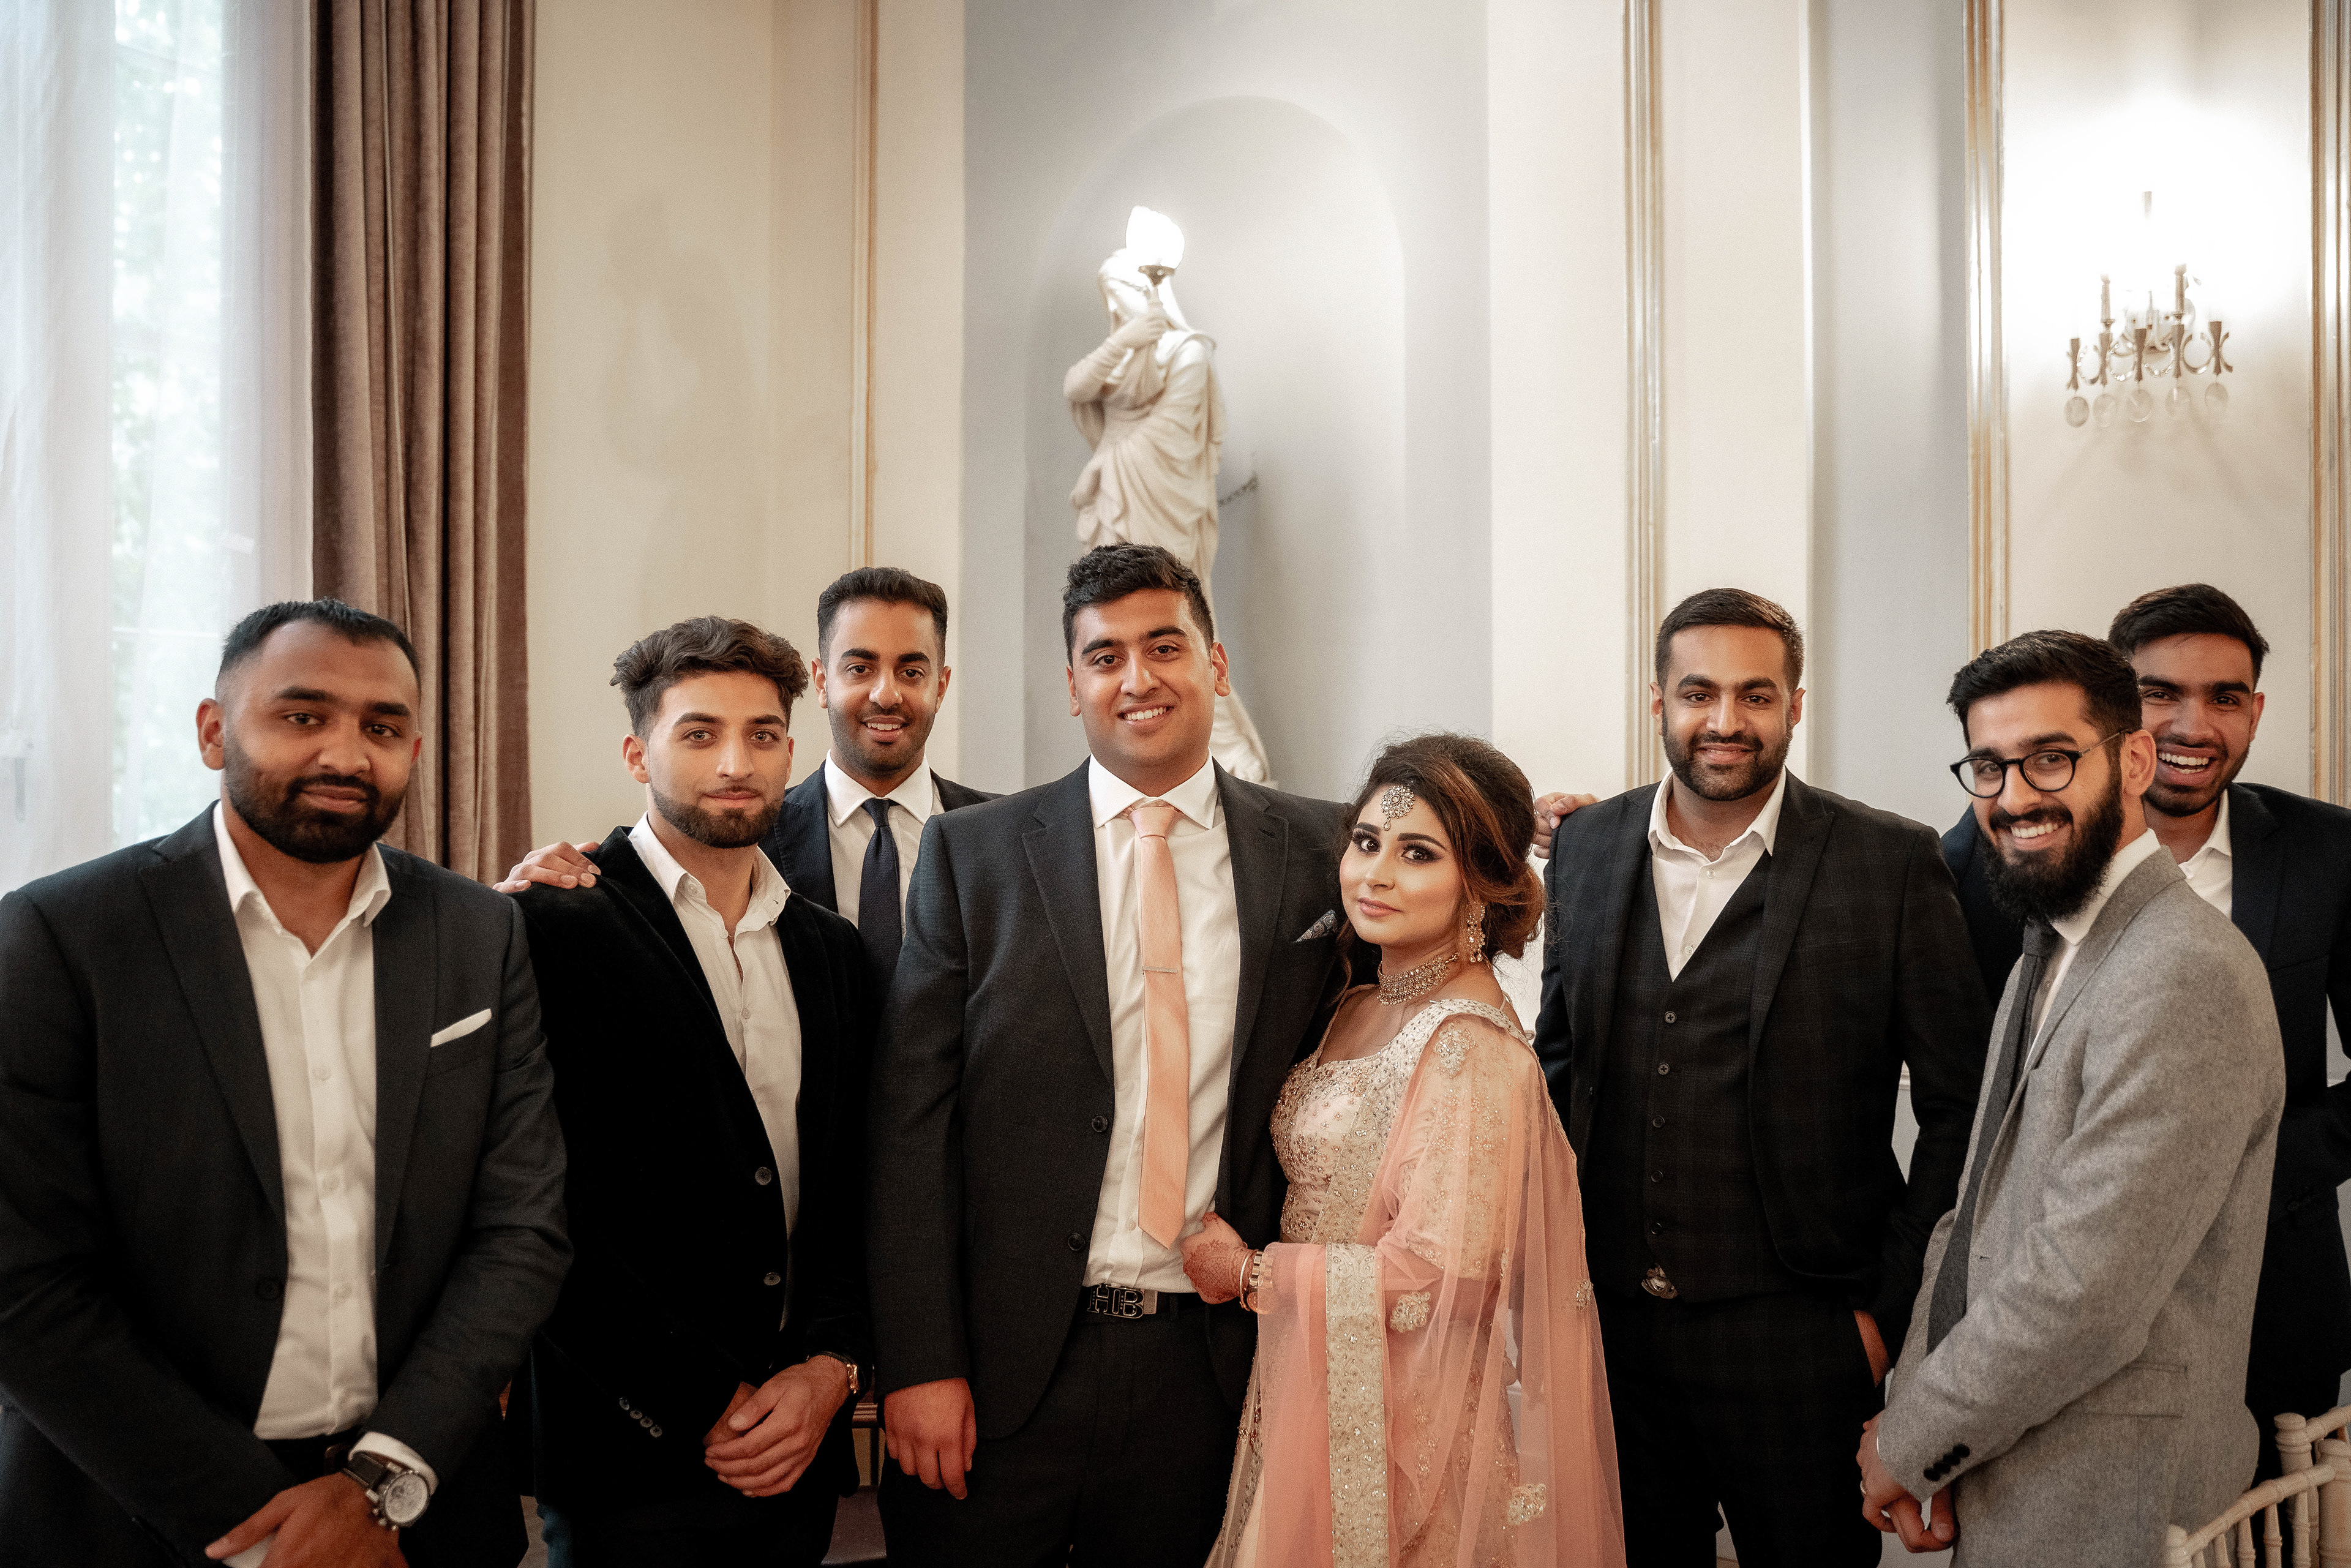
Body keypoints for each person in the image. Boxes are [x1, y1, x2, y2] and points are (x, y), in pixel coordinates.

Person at [0, 598, 569, 1568]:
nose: (346, 753)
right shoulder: (61, 936)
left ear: (414, 749)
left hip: (424, 1506)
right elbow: (25, 1279)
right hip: (139, 1514)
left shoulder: (480, 931)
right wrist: (267, 1529)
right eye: (303, 715)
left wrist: (380, 1486)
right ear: (213, 731)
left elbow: (524, 1226)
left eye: (381, 727)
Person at [867, 543, 1351, 1566]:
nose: (1138, 678)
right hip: (1000, 1374)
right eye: (1106, 656)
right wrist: (919, 1362)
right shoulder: (973, 854)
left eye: (1165, 646)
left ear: (1216, 663)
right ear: (1073, 683)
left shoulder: (1323, 852)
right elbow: (911, 1127)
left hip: (1218, 1367)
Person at [1533, 588, 1987, 1566]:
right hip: (1611, 1334)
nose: (1726, 720)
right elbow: (1557, 1072)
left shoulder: (1889, 861)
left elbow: (1962, 1110)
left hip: (1804, 1339)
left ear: (1795, 705)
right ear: (1658, 701)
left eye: (1756, 694)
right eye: (1699, 692)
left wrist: (1883, 1318)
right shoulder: (1585, 846)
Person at [1865, 629, 2283, 1561]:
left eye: (2051, 758)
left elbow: (2082, 1290)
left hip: (2113, 1498)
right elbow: (1969, 1220)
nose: (2015, 797)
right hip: (2010, 1467)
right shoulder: (2048, 946)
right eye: (1989, 766)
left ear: (2134, 760)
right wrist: (1916, 1420)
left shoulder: (2185, 970)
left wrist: (1910, 1442)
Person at [1180, 733, 1625, 1567]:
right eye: (1366, 841)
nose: (1374, 874)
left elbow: (1442, 1274)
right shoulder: (1356, 1003)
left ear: (1479, 885)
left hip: (1409, 1428)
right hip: (1312, 1386)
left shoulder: (1470, 1048)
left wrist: (1249, 1273)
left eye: (1418, 853)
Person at [1942, 583, 2351, 1469]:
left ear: (2255, 712)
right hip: (2046, 1301)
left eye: (2225, 697)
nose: (2192, 725)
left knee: (2277, 1524)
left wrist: (2248, 1165)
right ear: (2119, 725)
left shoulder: (2330, 851)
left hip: (2274, 1290)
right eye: (2160, 693)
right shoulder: (1989, 849)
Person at [511, 616, 872, 1566]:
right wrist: (699, 1398)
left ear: (791, 751)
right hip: (627, 1449)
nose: (736, 762)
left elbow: (850, 1188)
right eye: (700, 733)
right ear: (639, 753)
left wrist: (831, 1368)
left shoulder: (833, 951)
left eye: (763, 734)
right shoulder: (551, 925)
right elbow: (540, 1209)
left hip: (798, 1438)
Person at [498, 568, 992, 997]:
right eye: (860, 667)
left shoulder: (1002, 839)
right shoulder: (736, 827)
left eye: (911, 671)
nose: (886, 694)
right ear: (823, 681)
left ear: (941, 685)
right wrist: (517, 908)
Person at [1063, 219, 1273, 782]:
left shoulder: (1188, 352)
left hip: (1163, 500)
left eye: (1126, 291)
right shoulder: (1119, 354)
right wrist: (1127, 339)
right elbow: (1076, 386)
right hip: (1115, 503)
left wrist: (1110, 459)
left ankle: (1230, 757)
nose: (1118, 304)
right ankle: (1124, 755)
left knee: (1174, 635)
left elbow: (1175, 436)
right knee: (1112, 633)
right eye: (1110, 296)